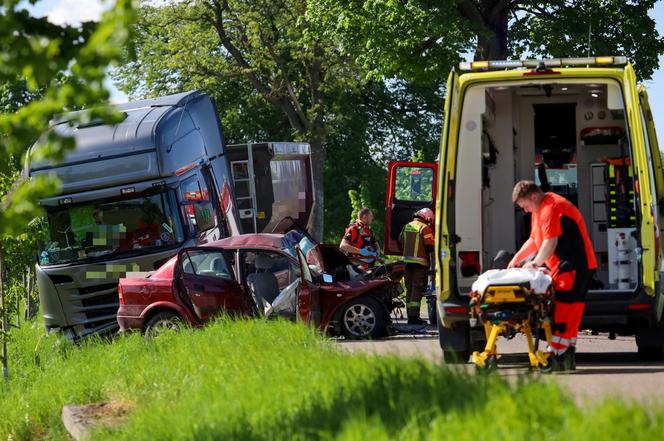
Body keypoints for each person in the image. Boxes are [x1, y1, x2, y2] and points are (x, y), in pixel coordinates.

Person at [508, 180, 597, 372]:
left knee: (564, 312)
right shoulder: (539, 210)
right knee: (568, 311)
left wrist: (535, 263)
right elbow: (534, 239)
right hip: (568, 267)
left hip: (574, 266)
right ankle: (565, 355)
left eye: (525, 205)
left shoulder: (551, 208)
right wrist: (517, 258)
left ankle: (557, 354)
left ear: (533, 196)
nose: (525, 210)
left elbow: (550, 243)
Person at [399, 208, 435, 325]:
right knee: (417, 290)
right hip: (420, 265)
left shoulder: (406, 226)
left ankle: (410, 316)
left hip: (407, 264)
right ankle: (414, 317)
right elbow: (430, 247)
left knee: (409, 290)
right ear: (427, 218)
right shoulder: (425, 228)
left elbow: (400, 240)